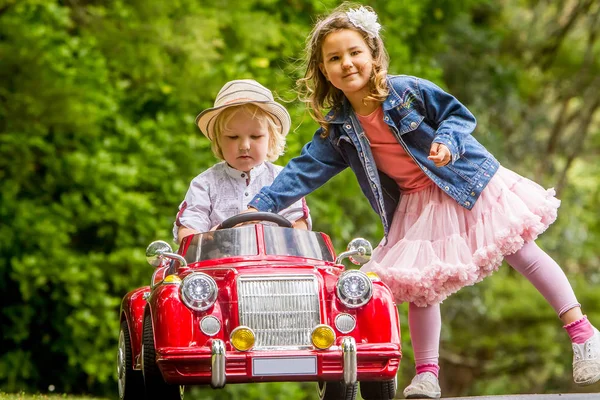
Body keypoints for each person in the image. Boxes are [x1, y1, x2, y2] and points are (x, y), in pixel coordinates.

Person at [242, 4, 600, 398]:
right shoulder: (339, 128)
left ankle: (583, 333)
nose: (347, 63)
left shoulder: (406, 90)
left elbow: (458, 116)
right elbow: (302, 171)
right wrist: (256, 208)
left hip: (463, 180)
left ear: (374, 54)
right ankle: (427, 374)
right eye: (335, 58)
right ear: (324, 71)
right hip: (417, 202)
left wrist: (447, 141)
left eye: (355, 52)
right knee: (420, 285)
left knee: (521, 251)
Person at [173, 79, 310, 244]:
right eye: (232, 137)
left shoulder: (284, 179)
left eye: (255, 136)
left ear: (271, 139)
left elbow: (299, 227)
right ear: (218, 141)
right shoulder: (204, 184)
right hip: (221, 266)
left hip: (275, 265)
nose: (244, 146)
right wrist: (207, 237)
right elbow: (188, 230)